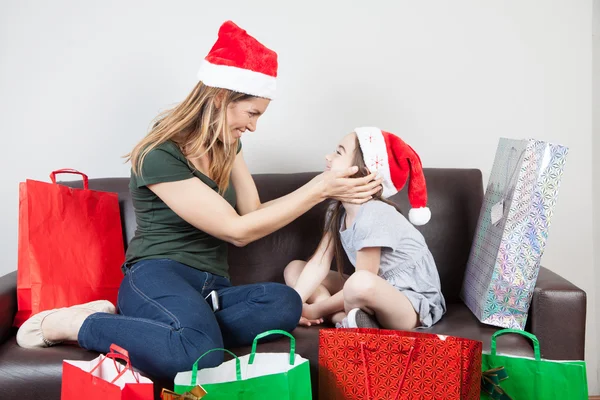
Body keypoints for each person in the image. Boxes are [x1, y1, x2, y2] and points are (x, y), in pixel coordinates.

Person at [15, 21, 382, 379]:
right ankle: (82, 323)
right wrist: (319, 188)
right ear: (222, 98)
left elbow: (252, 212)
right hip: (157, 275)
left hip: (212, 290)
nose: (253, 126)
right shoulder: (159, 153)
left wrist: (323, 192)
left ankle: (170, 332)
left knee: (284, 303)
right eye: (251, 113)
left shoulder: (229, 143)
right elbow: (238, 231)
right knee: (197, 354)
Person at [284, 127, 446, 330]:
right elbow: (319, 262)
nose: (328, 156)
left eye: (339, 152)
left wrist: (314, 311)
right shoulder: (337, 209)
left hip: (409, 303)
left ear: (363, 171)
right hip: (370, 289)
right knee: (295, 269)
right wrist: (294, 305)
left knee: (359, 283)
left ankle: (333, 314)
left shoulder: (374, 213)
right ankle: (344, 317)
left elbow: (365, 279)